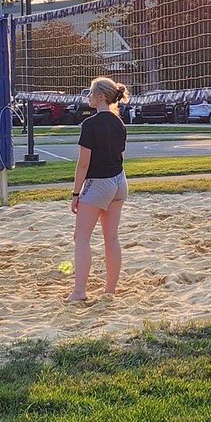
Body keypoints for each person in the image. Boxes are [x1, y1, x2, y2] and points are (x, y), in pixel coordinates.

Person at [68, 77, 129, 302]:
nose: (88, 97)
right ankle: (110, 290)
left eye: (91, 93)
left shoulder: (90, 124)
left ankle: (79, 292)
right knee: (111, 238)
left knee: (81, 238)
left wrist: (76, 193)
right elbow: (120, 156)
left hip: (99, 183)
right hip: (120, 181)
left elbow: (83, 163)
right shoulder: (119, 122)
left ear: (101, 96)